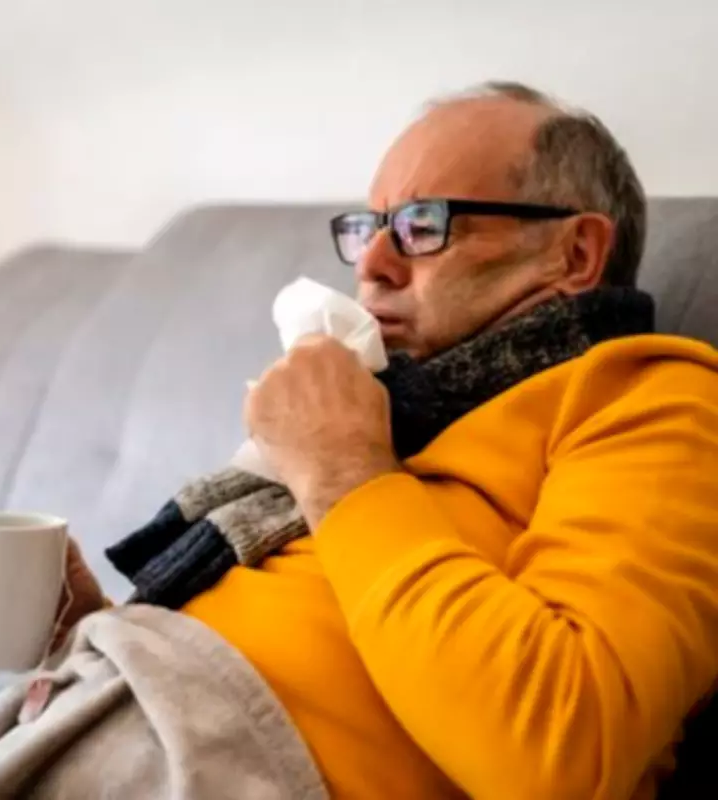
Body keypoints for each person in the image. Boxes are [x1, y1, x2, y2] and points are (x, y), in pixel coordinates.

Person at [60, 82, 718, 799]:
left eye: (422, 224)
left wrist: (343, 471)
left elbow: (563, 752)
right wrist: (87, 632)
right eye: (369, 228)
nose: (371, 263)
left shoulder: (651, 399)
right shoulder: (399, 411)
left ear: (576, 253)